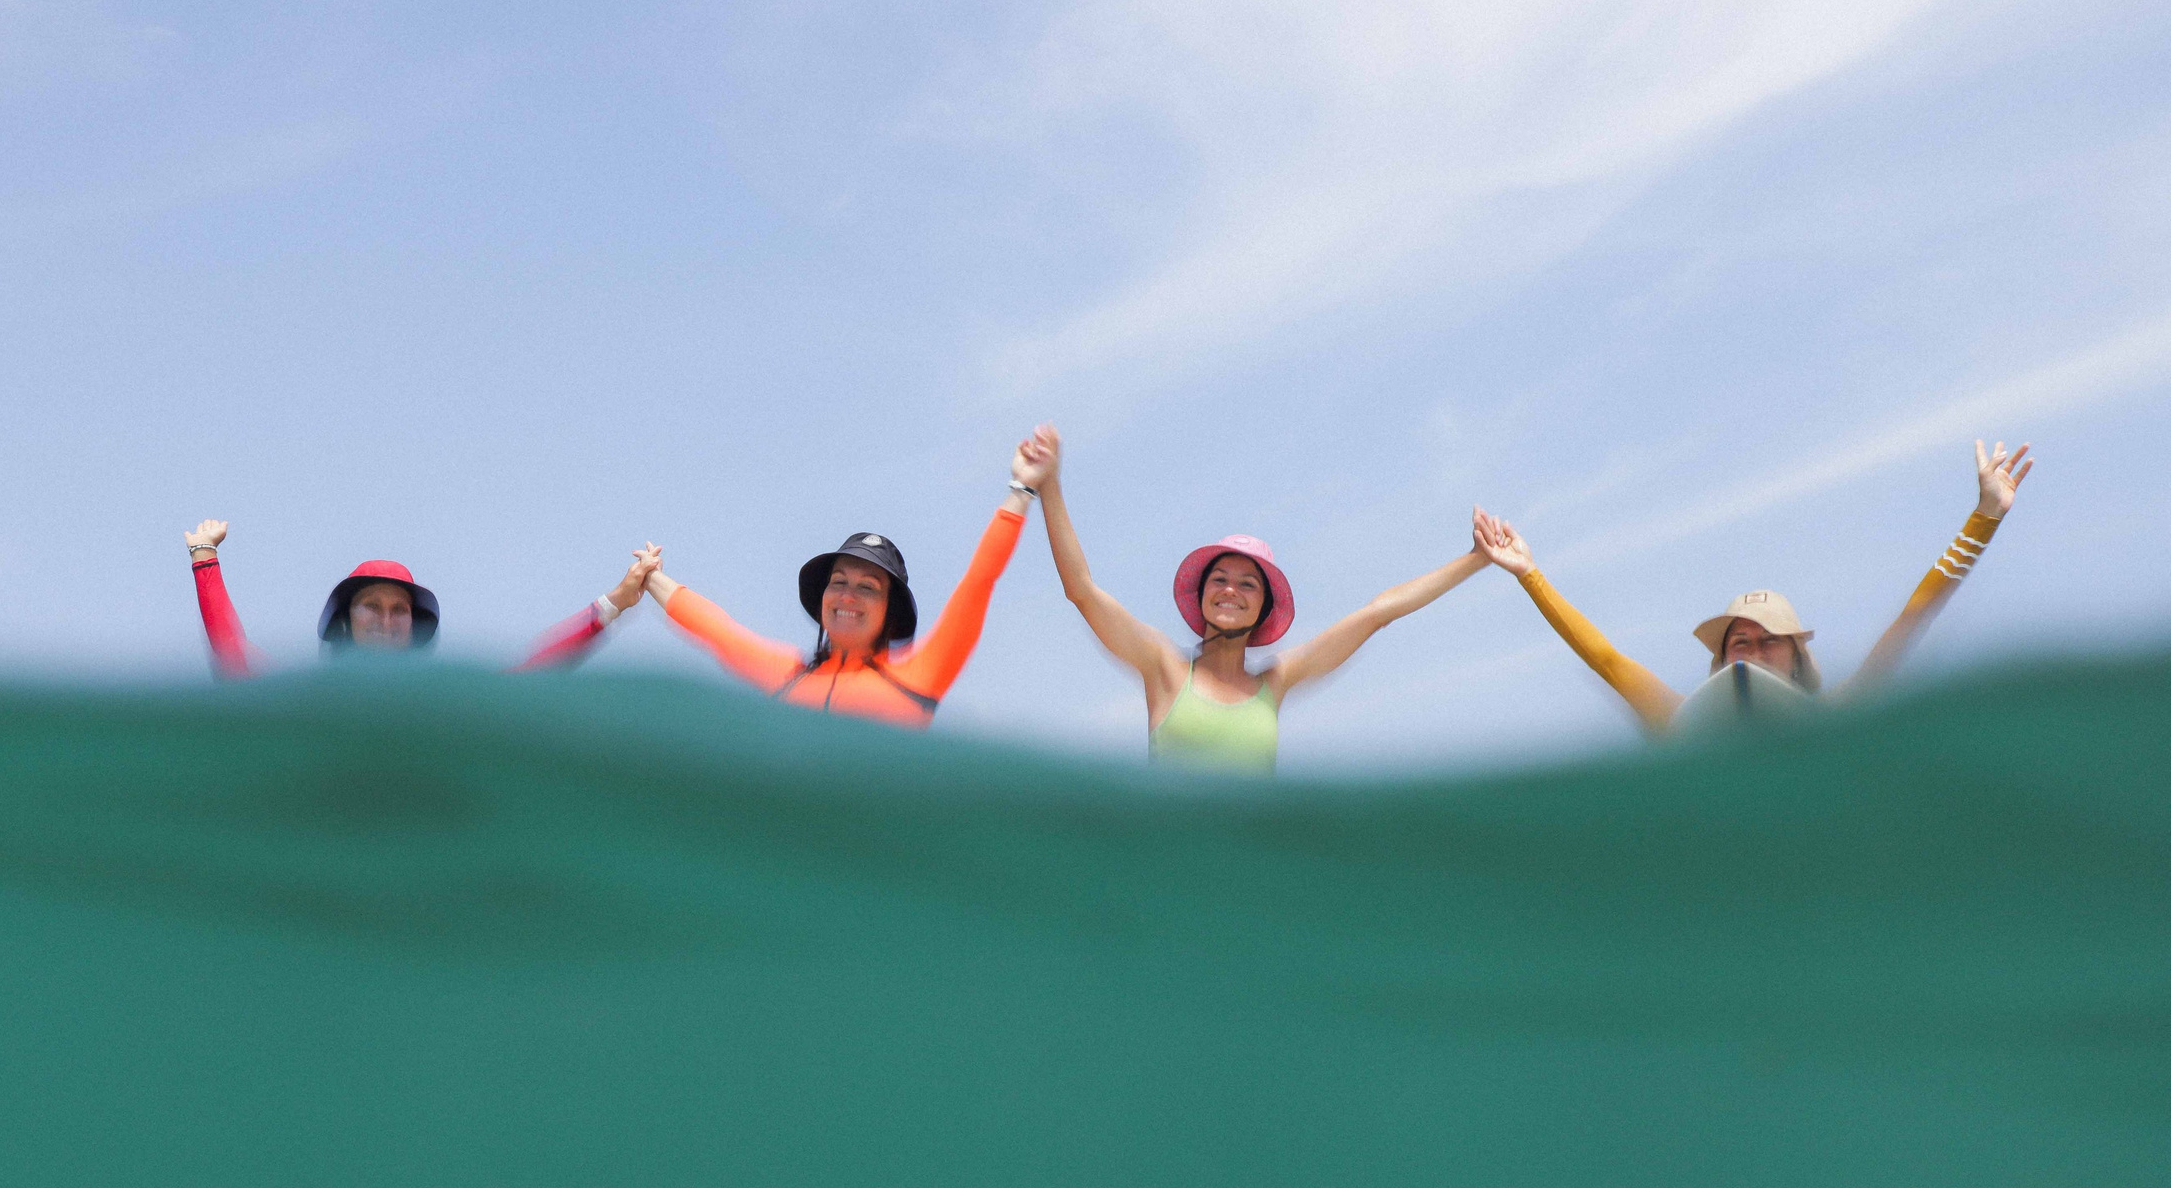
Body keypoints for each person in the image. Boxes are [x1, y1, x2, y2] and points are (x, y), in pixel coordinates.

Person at [1470, 440, 2033, 733]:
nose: (1752, 654)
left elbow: (1911, 619)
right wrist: (1529, 574)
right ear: (1720, 663)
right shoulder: (1678, 719)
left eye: (1769, 642)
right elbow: (1605, 658)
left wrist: (1984, 517)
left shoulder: (1837, 718)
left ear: (1796, 660)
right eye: (1740, 643)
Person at [1025, 426, 1490, 773]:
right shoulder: (1163, 669)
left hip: (1245, 883)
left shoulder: (1276, 683)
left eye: (1248, 584)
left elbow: (1377, 613)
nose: (1230, 589)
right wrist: (1049, 485)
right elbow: (1081, 589)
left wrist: (1475, 559)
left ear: (1264, 607)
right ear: (1202, 594)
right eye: (1219, 578)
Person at [631, 441, 1034, 727]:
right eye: (838, 581)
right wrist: (650, 576)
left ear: (891, 612)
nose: (847, 595)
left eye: (868, 587)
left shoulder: (920, 677)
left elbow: (979, 580)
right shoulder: (787, 675)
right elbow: (715, 630)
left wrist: (1022, 489)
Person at [182, 519, 658, 678]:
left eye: (399, 610)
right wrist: (205, 558)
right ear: (345, 620)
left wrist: (615, 602)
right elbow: (234, 659)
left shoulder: (441, 705)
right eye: (372, 606)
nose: (387, 619)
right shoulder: (313, 701)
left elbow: (528, 673)